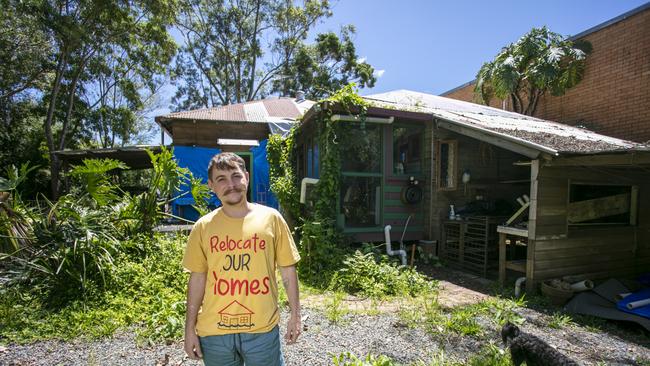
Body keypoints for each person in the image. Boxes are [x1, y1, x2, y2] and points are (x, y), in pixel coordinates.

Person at [182, 152, 301, 366]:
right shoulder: (203, 227)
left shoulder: (271, 219)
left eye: (236, 176)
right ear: (211, 185)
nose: (231, 184)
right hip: (214, 334)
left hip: (262, 332)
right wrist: (189, 329)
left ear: (246, 176)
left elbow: (288, 271)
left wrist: (296, 315)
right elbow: (197, 279)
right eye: (221, 179)